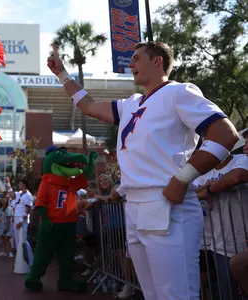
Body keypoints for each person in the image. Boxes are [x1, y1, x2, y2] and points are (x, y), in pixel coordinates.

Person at [47, 41, 239, 299]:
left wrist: (183, 178)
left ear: (157, 61)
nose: (131, 64)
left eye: (137, 58)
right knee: (152, 294)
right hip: (134, 206)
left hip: (167, 203)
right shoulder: (131, 103)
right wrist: (62, 74)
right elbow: (89, 106)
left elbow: (226, 135)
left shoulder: (179, 92)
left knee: (176, 295)